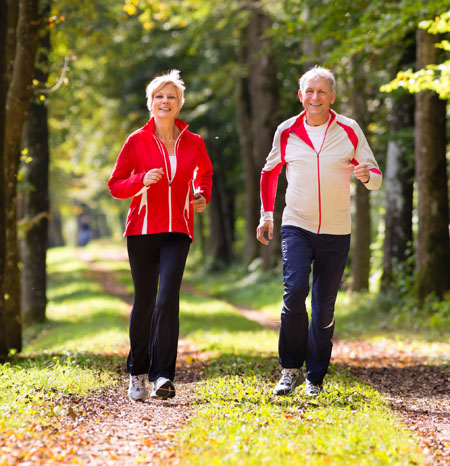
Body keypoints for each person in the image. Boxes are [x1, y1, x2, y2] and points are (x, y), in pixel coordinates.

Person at [256, 66, 382, 397]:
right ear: (301, 95)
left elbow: (376, 176)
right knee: (295, 291)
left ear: (332, 96)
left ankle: (315, 377)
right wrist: (266, 215)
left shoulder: (350, 130)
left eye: (322, 92)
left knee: (324, 307)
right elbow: (269, 173)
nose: (315, 97)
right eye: (309, 91)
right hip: (296, 224)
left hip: (337, 231)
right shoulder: (287, 131)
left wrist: (366, 175)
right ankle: (289, 369)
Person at [108, 70, 213, 401]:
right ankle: (137, 371)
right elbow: (116, 185)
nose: (165, 102)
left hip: (178, 230)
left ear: (180, 104)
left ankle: (163, 375)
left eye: (171, 97)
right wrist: (140, 180)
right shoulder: (136, 141)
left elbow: (204, 175)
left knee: (167, 299)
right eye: (159, 97)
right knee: (145, 301)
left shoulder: (193, 143)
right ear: (150, 103)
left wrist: (200, 195)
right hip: (142, 229)